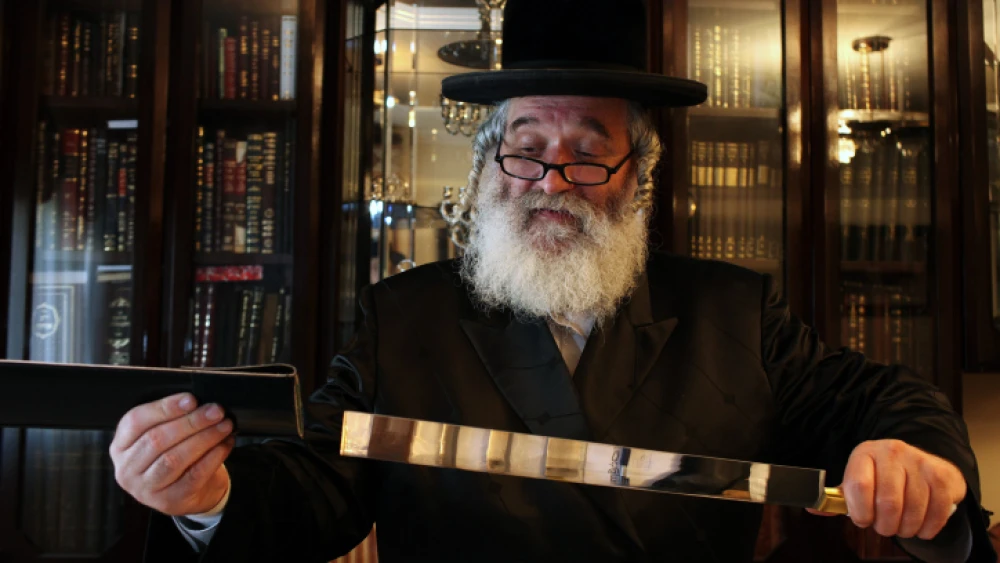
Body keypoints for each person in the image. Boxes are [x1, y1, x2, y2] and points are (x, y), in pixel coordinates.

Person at [111, 1, 996, 561]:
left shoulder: (733, 310)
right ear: (491, 163)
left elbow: (883, 400)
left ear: (638, 176)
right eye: (528, 148)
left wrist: (918, 457)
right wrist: (208, 497)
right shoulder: (405, 317)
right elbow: (319, 489)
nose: (553, 181)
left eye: (590, 154)